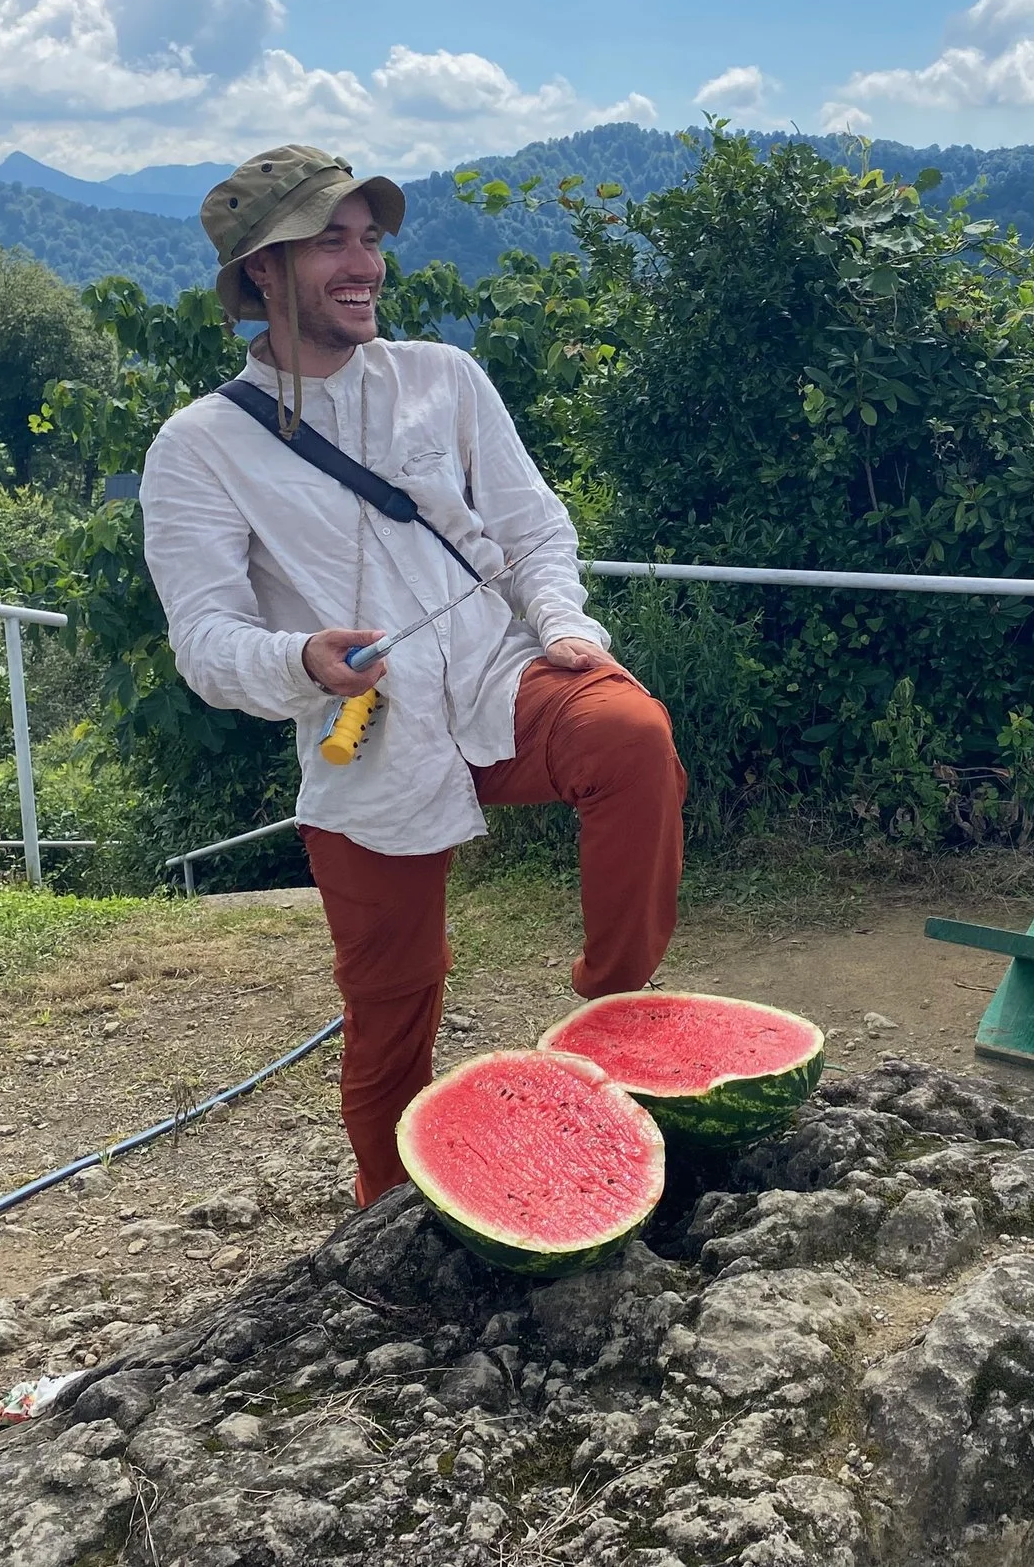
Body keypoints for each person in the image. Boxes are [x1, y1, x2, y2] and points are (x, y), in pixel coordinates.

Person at [140, 144, 687, 1203]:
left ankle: (611, 1004)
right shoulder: (199, 446)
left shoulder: (443, 377)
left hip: (501, 678)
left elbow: (533, 528)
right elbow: (203, 640)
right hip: (367, 740)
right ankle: (388, 1217)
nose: (364, 265)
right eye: (329, 243)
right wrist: (299, 659)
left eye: (369, 239)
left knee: (632, 739)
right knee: (390, 1004)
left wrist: (562, 623)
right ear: (262, 271)